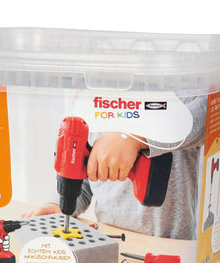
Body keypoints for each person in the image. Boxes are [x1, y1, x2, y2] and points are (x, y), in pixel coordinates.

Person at [24, 96, 207, 240]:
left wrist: (133, 137)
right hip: (109, 237)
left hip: (171, 243)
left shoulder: (181, 89)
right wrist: (59, 204)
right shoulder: (94, 99)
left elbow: (207, 114)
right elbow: (84, 177)